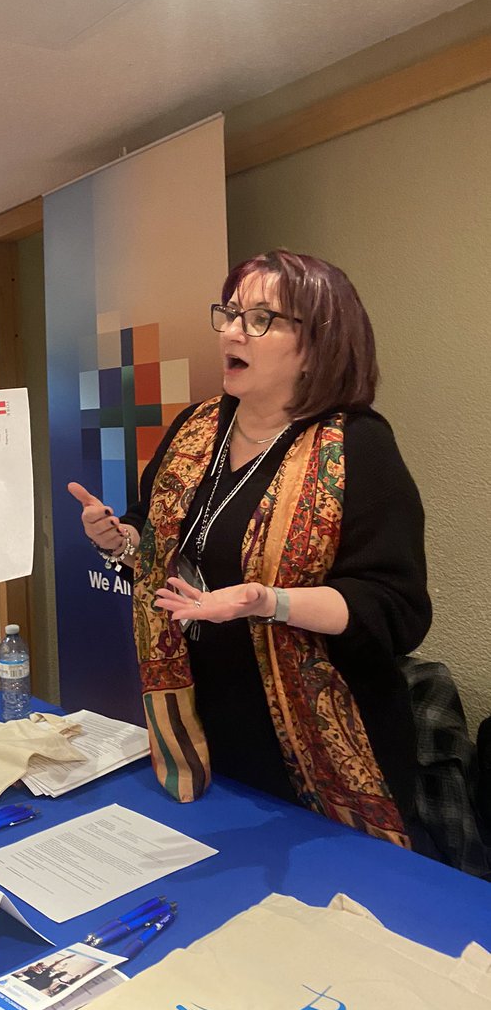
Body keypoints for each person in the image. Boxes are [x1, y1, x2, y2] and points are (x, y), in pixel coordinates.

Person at [70, 249, 432, 853]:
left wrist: (268, 601)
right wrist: (120, 537)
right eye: (231, 313)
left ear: (318, 344)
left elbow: (394, 609)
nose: (232, 331)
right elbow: (155, 537)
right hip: (202, 724)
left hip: (315, 744)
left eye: (260, 319)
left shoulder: (357, 446)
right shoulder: (197, 427)